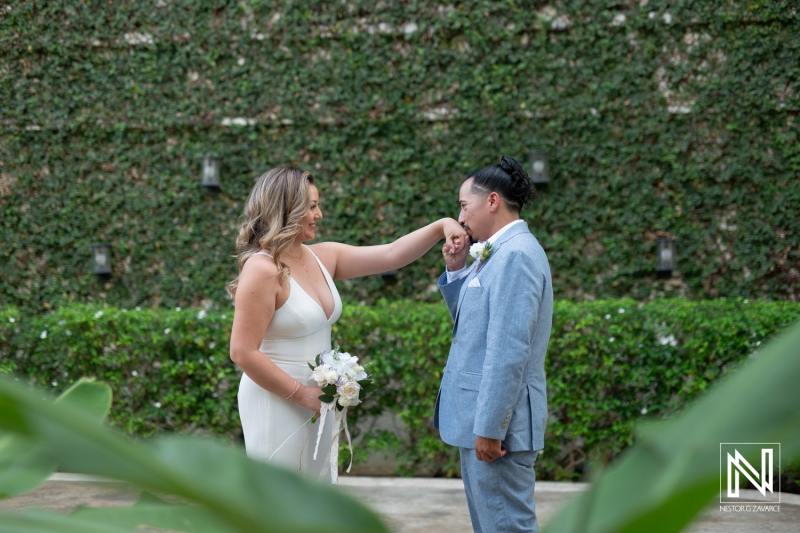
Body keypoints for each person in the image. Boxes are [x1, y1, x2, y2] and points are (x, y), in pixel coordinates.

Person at [229, 165, 467, 482]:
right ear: (288, 209)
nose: (320, 214)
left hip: (319, 398)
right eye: (312, 206)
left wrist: (441, 226)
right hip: (277, 399)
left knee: (314, 500)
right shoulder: (262, 269)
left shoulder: (320, 256)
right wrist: (300, 394)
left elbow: (391, 254)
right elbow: (242, 352)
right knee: (280, 500)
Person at [435, 155, 553, 532]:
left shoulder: (516, 254)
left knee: (506, 527)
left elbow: (508, 350)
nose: (461, 217)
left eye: (463, 205)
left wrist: (490, 427)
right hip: (478, 420)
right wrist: (456, 270)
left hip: (495, 427)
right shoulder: (497, 252)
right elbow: (472, 326)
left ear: (492, 201)